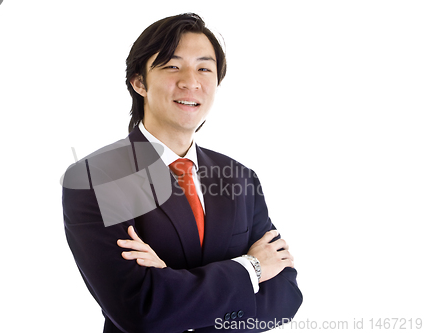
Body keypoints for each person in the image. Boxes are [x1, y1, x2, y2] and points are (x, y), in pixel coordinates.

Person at [62, 13, 302, 333]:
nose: (191, 81)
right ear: (138, 82)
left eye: (204, 68)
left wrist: (172, 284)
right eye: (173, 66)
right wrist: (253, 268)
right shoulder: (97, 177)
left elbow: (285, 299)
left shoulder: (240, 178)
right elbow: (141, 310)